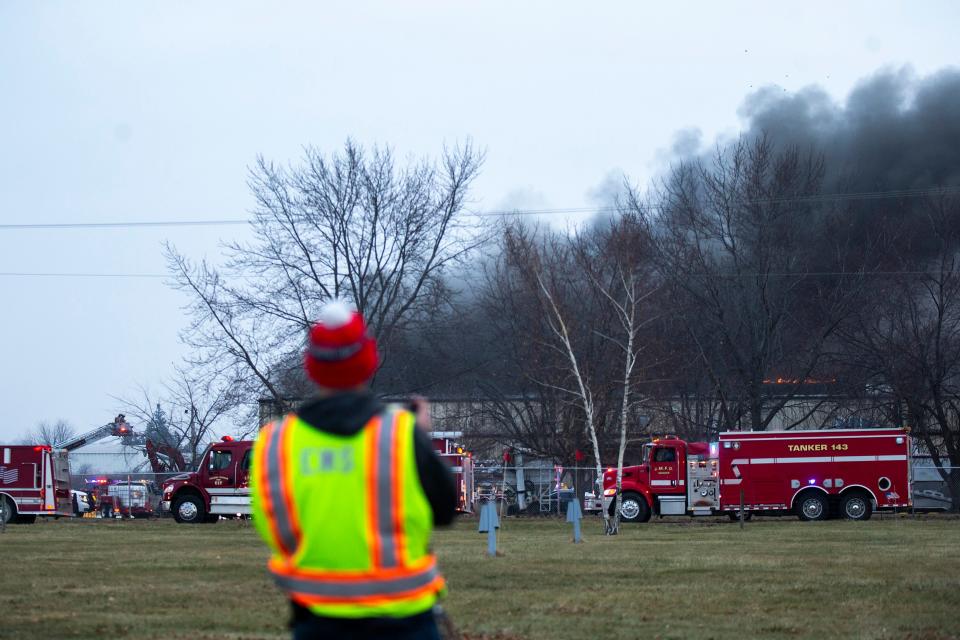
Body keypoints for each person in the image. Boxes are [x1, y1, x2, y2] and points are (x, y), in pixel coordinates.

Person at [251, 300, 457, 640]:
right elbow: (446, 509)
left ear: (311, 367)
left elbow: (274, 528)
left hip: (317, 621)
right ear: (368, 360)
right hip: (404, 621)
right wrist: (419, 435)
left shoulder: (275, 443)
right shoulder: (400, 434)